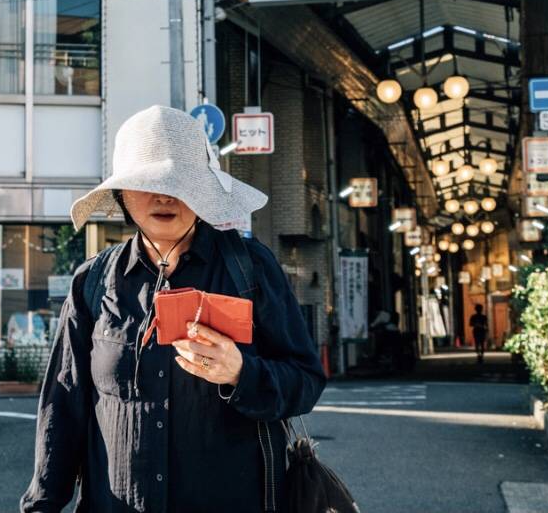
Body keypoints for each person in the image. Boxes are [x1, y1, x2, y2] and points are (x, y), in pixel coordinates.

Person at [21, 105, 326, 513]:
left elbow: (306, 379)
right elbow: (63, 406)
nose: (164, 196)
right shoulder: (92, 281)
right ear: (122, 194)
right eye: (147, 183)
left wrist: (241, 372)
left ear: (204, 191)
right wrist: (41, 505)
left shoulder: (250, 269)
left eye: (180, 183)